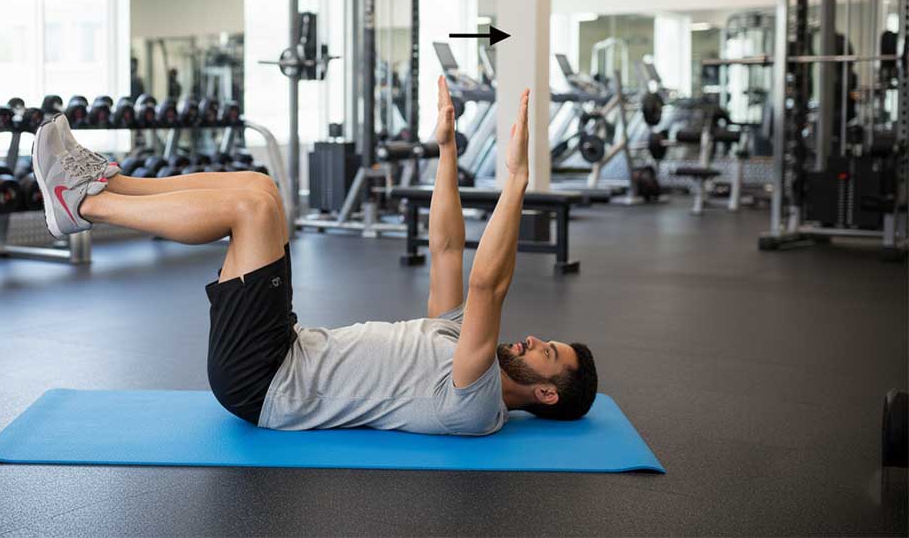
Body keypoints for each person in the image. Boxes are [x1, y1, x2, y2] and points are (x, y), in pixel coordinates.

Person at [32, 77, 597, 435]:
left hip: (267, 382)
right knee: (260, 189)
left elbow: (486, 287)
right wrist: (446, 150)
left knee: (248, 214)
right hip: (287, 349)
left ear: (545, 393)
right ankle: (109, 185)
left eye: (546, 352)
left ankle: (86, 206)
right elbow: (448, 250)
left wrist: (517, 180)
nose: (530, 340)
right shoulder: (458, 343)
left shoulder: (474, 404)